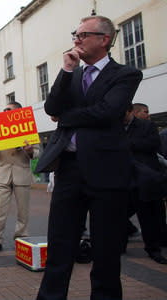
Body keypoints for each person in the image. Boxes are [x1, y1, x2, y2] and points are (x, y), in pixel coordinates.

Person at [34, 16, 143, 300]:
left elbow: (108, 111)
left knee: (106, 250)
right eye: (75, 35)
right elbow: (52, 106)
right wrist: (66, 69)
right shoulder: (73, 74)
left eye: (83, 35)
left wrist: (68, 117)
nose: (76, 40)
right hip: (69, 170)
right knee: (60, 245)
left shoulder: (125, 74)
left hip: (107, 171)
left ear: (104, 39)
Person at [0, 102, 40, 254]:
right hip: (2, 173)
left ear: (18, 112)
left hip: (21, 174)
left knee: (23, 211)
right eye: (4, 109)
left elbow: (36, 153)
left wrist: (30, 151)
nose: (5, 111)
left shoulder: (28, 128)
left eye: (8, 110)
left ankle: (21, 237)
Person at [122, 104, 167, 264]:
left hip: (144, 179)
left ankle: (153, 248)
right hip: (124, 179)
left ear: (130, 112)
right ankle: (121, 245)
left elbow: (154, 145)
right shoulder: (115, 127)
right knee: (119, 214)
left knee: (149, 216)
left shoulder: (147, 126)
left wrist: (129, 145)